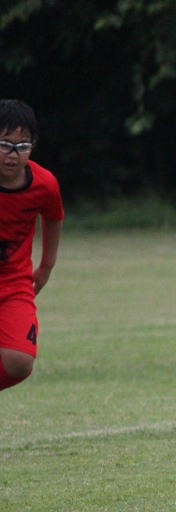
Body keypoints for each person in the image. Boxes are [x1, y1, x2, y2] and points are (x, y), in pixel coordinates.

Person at [0, 99, 64, 393]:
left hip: (14, 282)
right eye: (4, 144)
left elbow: (53, 217)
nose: (13, 155)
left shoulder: (44, 184)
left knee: (19, 361)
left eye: (22, 146)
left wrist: (46, 266)